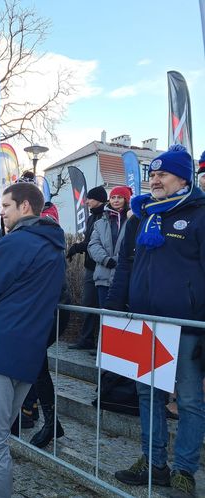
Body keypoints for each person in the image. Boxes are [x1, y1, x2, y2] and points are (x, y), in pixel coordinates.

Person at [108, 145, 205, 496]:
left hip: (188, 326)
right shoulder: (140, 216)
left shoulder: (200, 213)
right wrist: (114, 309)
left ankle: (184, 470)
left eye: (163, 174)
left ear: (183, 177)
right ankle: (153, 461)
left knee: (191, 400)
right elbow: (125, 265)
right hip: (144, 322)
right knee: (148, 396)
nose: (156, 180)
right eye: (153, 174)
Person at [0, 183, 66, 498]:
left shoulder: (14, 243)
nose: (2, 212)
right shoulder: (55, 248)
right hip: (27, 355)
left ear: (25, 207)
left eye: (6, 206)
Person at [66, 185, 108, 350]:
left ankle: (102, 345)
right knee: (88, 304)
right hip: (90, 266)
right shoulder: (91, 218)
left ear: (99, 199)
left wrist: (77, 247)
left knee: (103, 307)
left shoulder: (106, 217)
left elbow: (97, 244)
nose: (87, 201)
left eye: (89, 198)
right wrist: (78, 247)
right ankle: (87, 339)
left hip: (103, 267)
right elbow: (89, 242)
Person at [88, 185, 131, 307]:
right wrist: (106, 260)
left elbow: (132, 245)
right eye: (113, 197)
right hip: (103, 276)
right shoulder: (100, 223)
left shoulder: (133, 221)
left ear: (126, 200)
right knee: (105, 317)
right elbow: (93, 245)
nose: (116, 200)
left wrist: (117, 260)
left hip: (124, 277)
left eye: (119, 197)